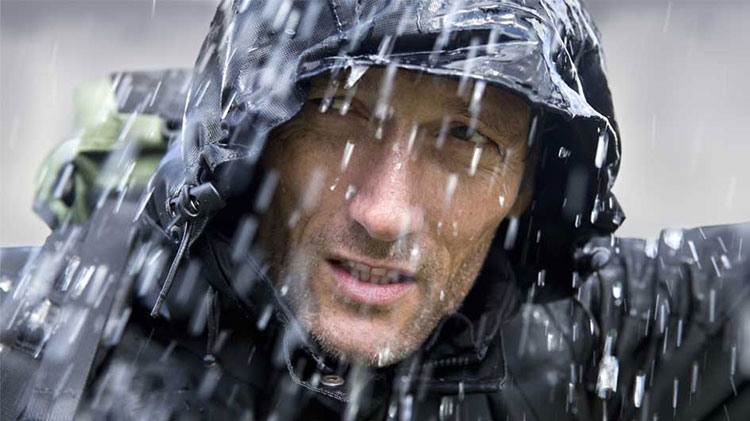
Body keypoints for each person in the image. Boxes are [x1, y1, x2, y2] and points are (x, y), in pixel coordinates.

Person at [1, 0, 748, 420]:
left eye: (466, 137)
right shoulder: (40, 357)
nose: (385, 212)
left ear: (529, 185)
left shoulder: (591, 342)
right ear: (252, 138)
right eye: (338, 113)